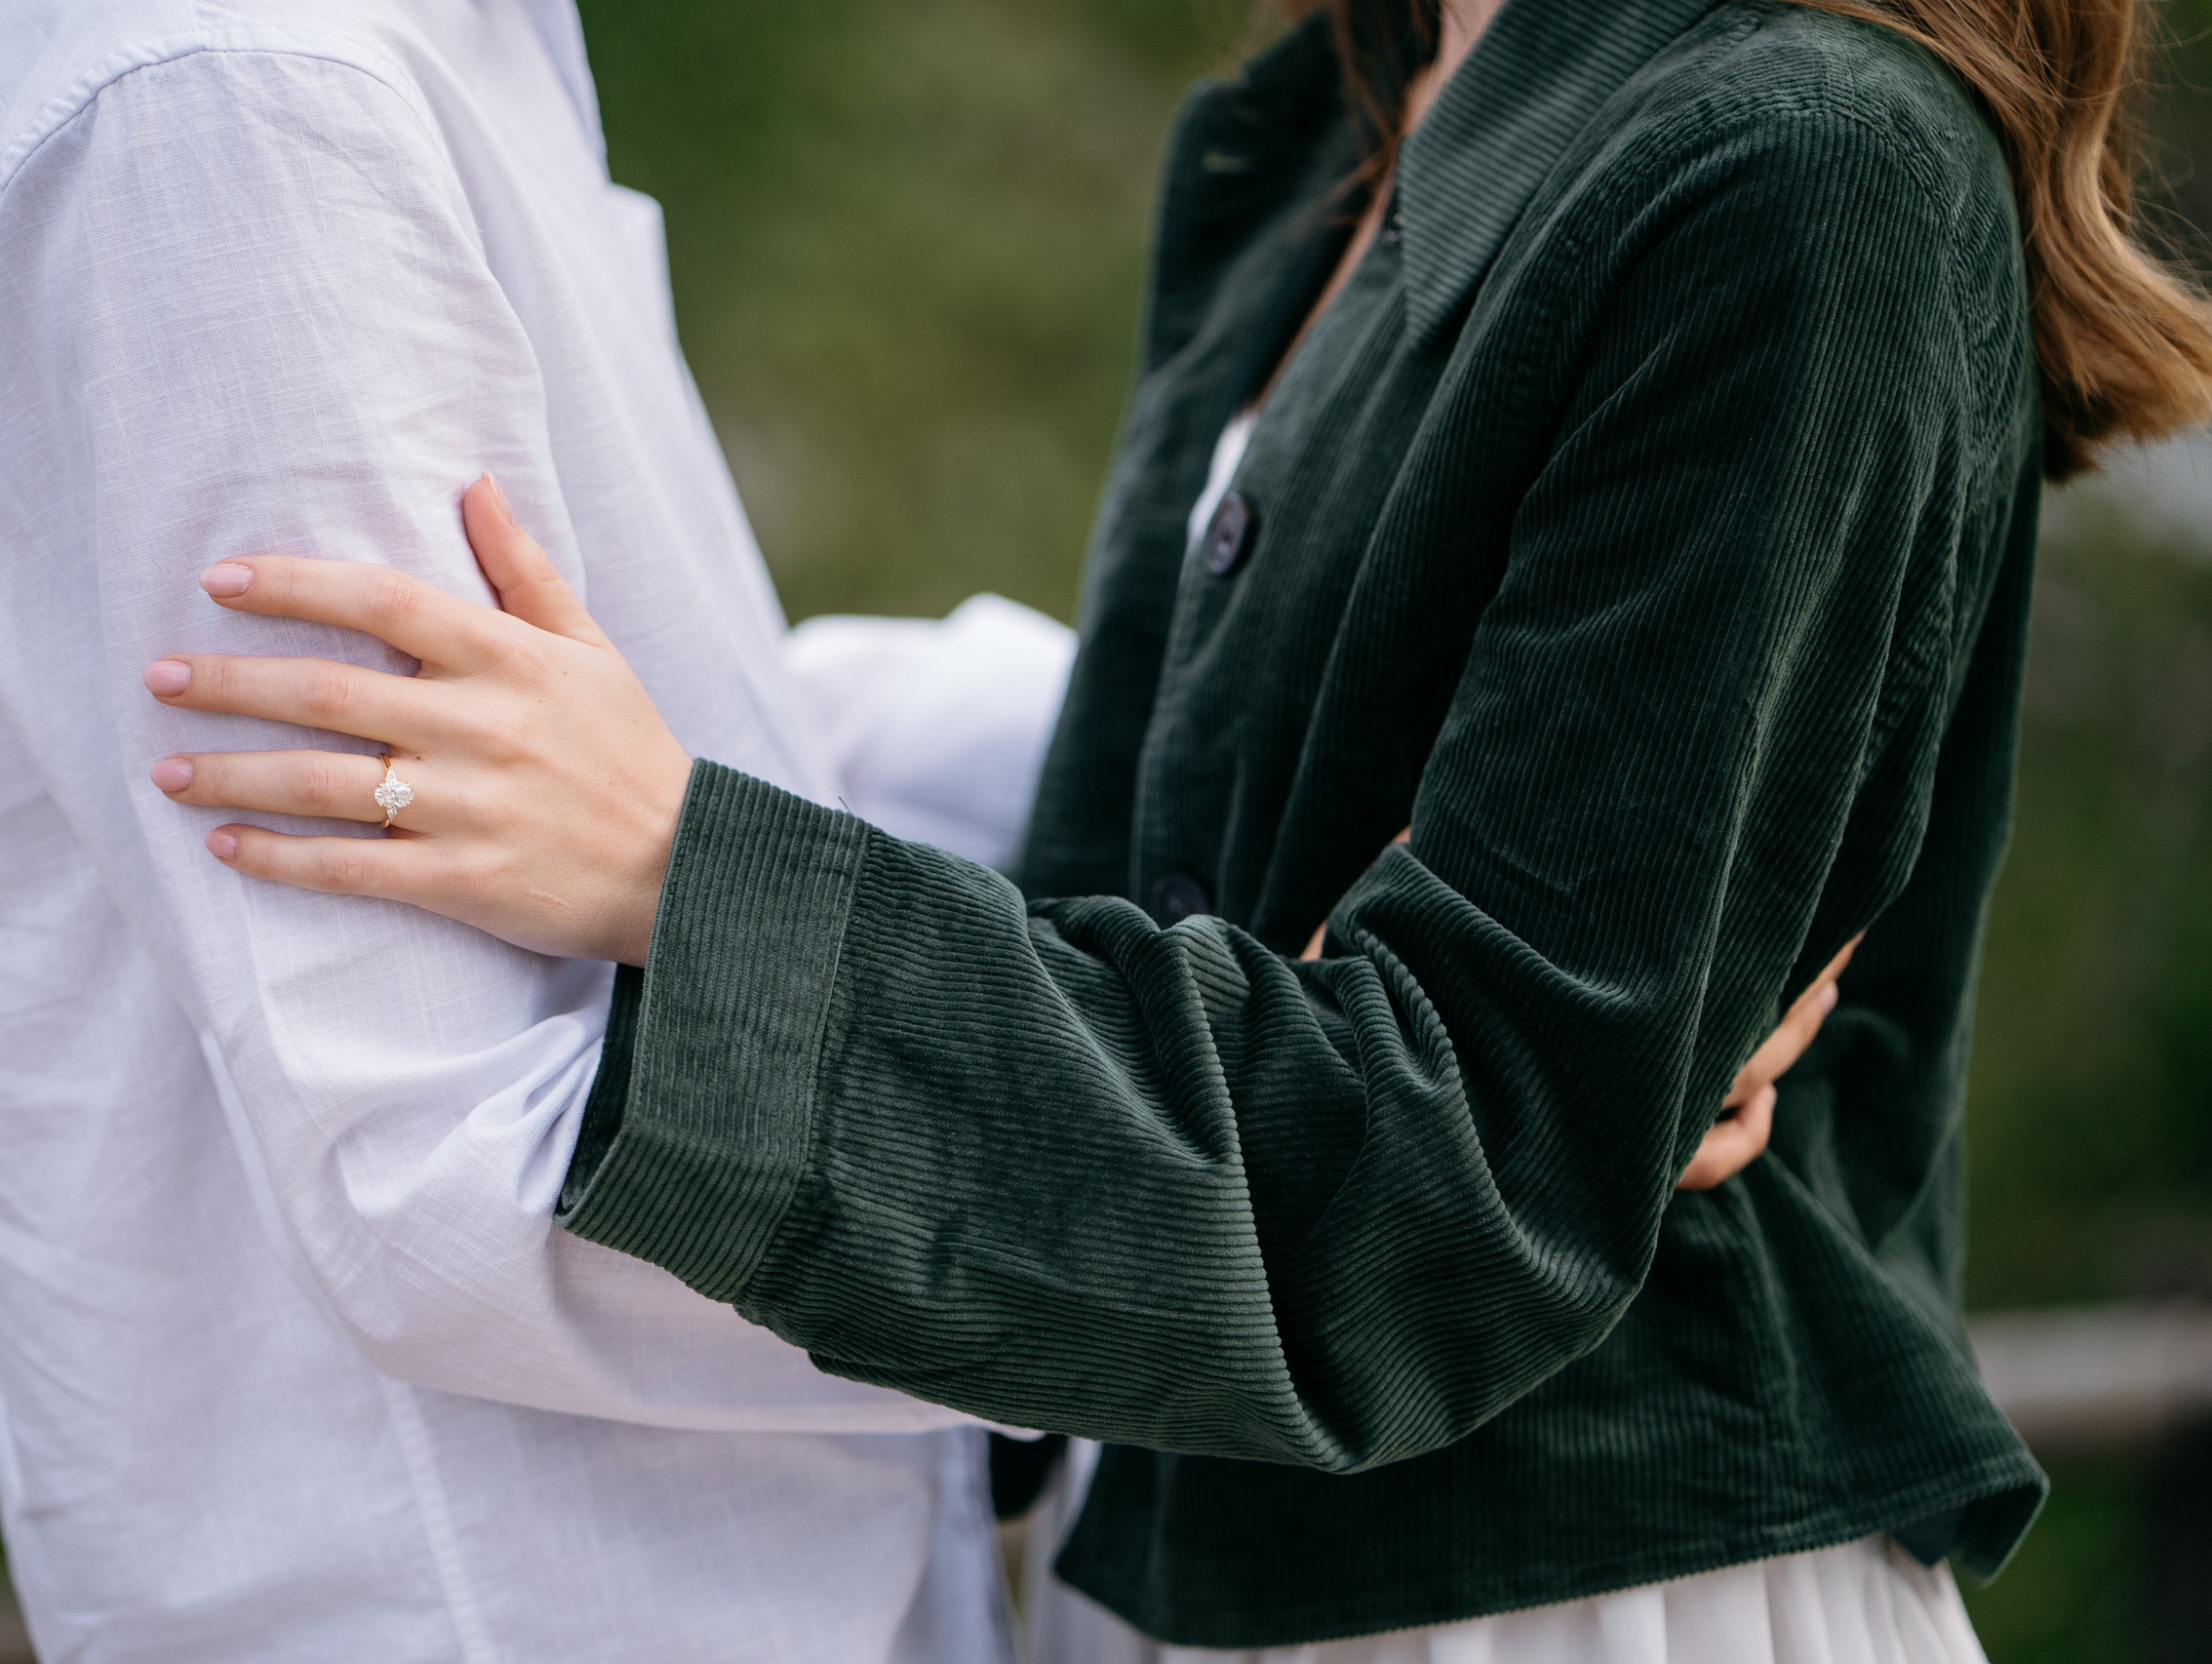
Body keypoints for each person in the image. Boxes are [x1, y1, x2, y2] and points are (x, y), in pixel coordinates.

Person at [138, 0, 2212, 1658]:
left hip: (1577, 1597)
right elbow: (1181, 899)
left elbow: (1433, 1197)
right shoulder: (1328, 131)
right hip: (1165, 1565)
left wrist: (686, 873)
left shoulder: (1800, 164)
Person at [0, 2, 1086, 1658]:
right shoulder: (239, 110)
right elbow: (445, 1152)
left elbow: (639, 734)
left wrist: (1237, 721)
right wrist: (1239, 1162)